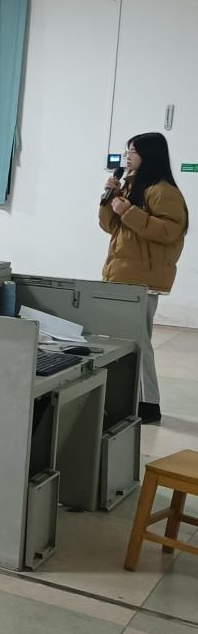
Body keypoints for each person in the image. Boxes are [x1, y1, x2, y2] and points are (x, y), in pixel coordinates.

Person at [100, 132, 189, 424]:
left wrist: (128, 211)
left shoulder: (164, 191)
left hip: (143, 279)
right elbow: (110, 227)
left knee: (139, 342)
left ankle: (148, 404)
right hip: (122, 272)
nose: (128, 158)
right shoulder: (130, 185)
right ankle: (130, 400)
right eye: (127, 152)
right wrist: (109, 200)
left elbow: (169, 231)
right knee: (127, 341)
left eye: (133, 152)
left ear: (149, 155)